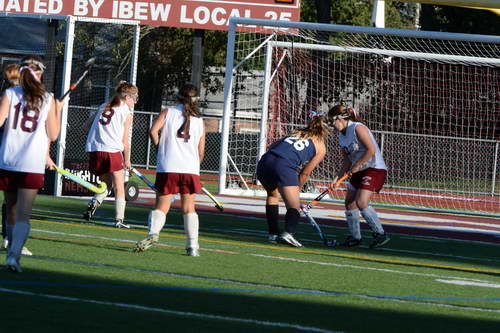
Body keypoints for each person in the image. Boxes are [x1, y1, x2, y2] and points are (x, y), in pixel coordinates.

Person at [0, 56, 61, 272]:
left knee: (11, 210)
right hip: (32, 163)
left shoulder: (9, 93)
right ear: (40, 73)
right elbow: (53, 134)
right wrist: (57, 110)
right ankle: (14, 256)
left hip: (8, 160)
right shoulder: (49, 98)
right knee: (24, 213)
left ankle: (9, 246)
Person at [134, 83, 205, 256]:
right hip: (190, 168)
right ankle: (192, 247)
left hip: (168, 166)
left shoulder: (168, 112)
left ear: (178, 97)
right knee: (189, 207)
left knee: (162, 205)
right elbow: (201, 151)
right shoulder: (200, 121)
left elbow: (153, 131)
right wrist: (194, 164)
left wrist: (160, 149)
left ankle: (153, 234)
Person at [256, 113, 329, 247]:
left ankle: (273, 234)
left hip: (265, 161)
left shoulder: (296, 133)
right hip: (283, 165)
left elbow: (272, 147)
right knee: (294, 206)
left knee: (272, 195)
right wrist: (298, 189)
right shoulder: (321, 147)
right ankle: (289, 233)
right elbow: (305, 172)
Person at [327, 104, 390, 249]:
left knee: (361, 202)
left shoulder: (357, 128)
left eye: (332, 121)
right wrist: (336, 179)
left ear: (340, 118)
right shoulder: (341, 136)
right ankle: (355, 237)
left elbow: (371, 150)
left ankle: (380, 234)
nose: (331, 125)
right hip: (359, 170)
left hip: (374, 169)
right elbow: (347, 161)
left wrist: (357, 165)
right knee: (349, 202)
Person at [83, 81, 137, 229]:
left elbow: (85, 127)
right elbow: (125, 141)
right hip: (112, 150)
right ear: (127, 97)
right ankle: (119, 219)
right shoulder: (126, 112)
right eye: (135, 98)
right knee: (119, 187)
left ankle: (93, 203)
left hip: (95, 149)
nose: (135, 101)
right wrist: (127, 160)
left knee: (106, 183)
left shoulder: (103, 106)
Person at [0, 64, 34, 256]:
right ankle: (12, 239)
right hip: (12, 154)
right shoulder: (17, 97)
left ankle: (8, 237)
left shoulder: (9, 95)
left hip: (7, 152)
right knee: (15, 201)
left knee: (10, 199)